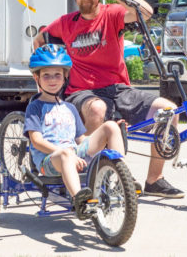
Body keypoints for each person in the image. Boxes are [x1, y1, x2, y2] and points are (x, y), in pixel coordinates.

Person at [33, 0, 184, 198]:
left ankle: (154, 179)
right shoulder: (65, 23)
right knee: (97, 108)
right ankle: (96, 177)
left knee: (169, 110)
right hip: (82, 92)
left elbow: (146, 12)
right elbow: (38, 42)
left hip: (119, 89)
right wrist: (43, 83)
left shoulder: (112, 14)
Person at [23, 44, 130, 220]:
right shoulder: (35, 107)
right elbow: (36, 141)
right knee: (66, 154)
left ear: (65, 76)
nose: (52, 80)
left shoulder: (70, 108)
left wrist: (103, 138)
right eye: (46, 75)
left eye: (57, 75)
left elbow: (81, 138)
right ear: (37, 78)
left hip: (73, 153)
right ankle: (80, 201)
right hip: (50, 160)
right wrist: (66, 154)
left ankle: (121, 180)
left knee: (110, 126)